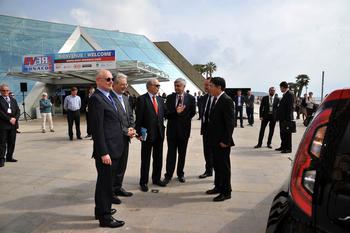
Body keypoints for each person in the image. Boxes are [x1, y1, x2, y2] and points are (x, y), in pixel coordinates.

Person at [88, 69, 125, 228]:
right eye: (108, 79)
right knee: (106, 185)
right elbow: (97, 129)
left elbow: (113, 122)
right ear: (99, 81)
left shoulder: (108, 97)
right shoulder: (96, 99)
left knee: (104, 183)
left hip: (115, 147)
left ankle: (101, 210)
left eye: (112, 79)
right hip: (107, 151)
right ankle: (105, 217)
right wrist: (103, 152)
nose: (112, 82)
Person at [135, 78, 167, 192]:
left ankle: (156, 179)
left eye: (159, 85)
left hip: (159, 134)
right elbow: (138, 118)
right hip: (147, 134)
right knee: (146, 159)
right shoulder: (141, 99)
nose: (158, 87)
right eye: (156, 85)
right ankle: (143, 182)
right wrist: (138, 133)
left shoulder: (160, 99)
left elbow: (165, 114)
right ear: (149, 86)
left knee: (158, 158)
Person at [205, 77, 235, 202]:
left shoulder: (226, 100)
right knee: (217, 165)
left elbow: (230, 123)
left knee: (224, 167)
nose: (209, 87)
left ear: (219, 87)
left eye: (211, 85)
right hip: (214, 140)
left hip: (222, 142)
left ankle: (226, 191)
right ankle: (218, 186)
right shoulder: (216, 99)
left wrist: (226, 141)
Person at [163, 78, 196, 184]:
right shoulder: (170, 97)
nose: (176, 87)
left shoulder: (190, 98)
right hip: (172, 131)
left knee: (182, 154)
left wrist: (184, 119)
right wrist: (176, 112)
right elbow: (166, 114)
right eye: (175, 85)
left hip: (184, 131)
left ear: (184, 87)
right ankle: (168, 175)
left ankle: (180, 174)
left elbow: (193, 113)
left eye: (178, 86)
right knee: (171, 154)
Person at [110, 72, 136, 202]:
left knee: (122, 165)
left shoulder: (126, 98)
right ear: (114, 84)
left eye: (126, 84)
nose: (124, 87)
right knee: (113, 168)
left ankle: (118, 187)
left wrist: (132, 128)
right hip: (115, 140)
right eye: (122, 84)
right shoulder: (110, 99)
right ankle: (111, 193)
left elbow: (130, 115)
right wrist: (126, 131)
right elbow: (114, 121)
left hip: (126, 138)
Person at [0, 84, 20, 167]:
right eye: (3, 90)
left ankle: (9, 157)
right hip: (3, 125)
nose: (5, 92)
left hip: (13, 125)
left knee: (12, 142)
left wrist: (15, 118)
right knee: (2, 143)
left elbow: (18, 110)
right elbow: (0, 112)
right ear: (0, 91)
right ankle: (1, 159)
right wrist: (9, 119)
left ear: (9, 91)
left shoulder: (13, 100)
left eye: (7, 90)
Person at [198, 78, 214, 179]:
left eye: (207, 85)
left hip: (215, 131)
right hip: (205, 129)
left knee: (215, 153)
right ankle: (208, 170)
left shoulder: (218, 99)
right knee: (206, 151)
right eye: (205, 85)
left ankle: (218, 175)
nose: (205, 87)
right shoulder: (204, 98)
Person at [276, 81, 294, 154]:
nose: (280, 89)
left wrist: (287, 119)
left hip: (287, 118)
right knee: (282, 133)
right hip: (282, 118)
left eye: (280, 87)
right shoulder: (285, 94)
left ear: (283, 87)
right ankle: (283, 146)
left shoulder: (289, 94)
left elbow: (289, 108)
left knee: (287, 134)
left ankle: (288, 148)